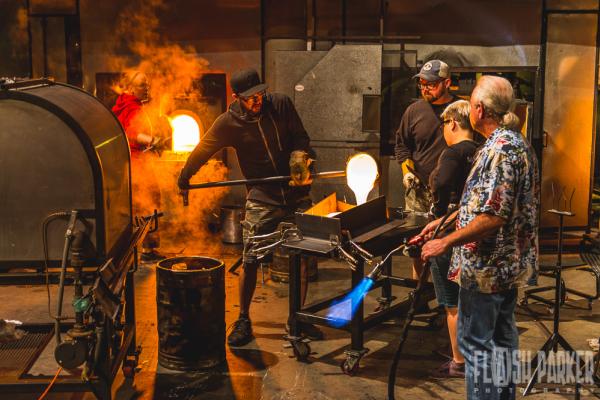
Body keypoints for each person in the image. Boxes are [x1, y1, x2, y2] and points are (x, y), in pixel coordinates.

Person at [177, 68, 322, 347]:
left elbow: (301, 137)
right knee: (250, 259)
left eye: (260, 94)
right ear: (237, 97)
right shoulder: (228, 123)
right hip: (262, 196)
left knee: (302, 257)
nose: (258, 101)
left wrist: (299, 158)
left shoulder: (280, 104)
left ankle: (298, 317)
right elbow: (203, 149)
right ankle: (243, 319)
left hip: (296, 193)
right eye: (251, 98)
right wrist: (184, 177)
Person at [421, 75, 539, 399]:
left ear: (479, 109)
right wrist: (447, 221)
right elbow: (482, 202)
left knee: (478, 348)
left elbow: (494, 215)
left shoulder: (500, 150)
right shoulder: (513, 143)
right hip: (503, 269)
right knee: (502, 343)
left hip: (486, 270)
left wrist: (446, 241)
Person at [427, 100, 479, 378]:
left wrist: (437, 212)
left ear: (453, 124)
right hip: (473, 231)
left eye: (444, 125)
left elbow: (443, 182)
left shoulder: (452, 153)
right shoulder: (481, 150)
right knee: (469, 297)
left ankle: (458, 362)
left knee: (451, 302)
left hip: (450, 231)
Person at [395, 59, 456, 280]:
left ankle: (447, 301)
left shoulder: (460, 111)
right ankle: (418, 294)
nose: (424, 88)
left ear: (447, 82)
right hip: (419, 191)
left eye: (430, 84)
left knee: (448, 247)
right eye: (421, 83)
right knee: (416, 245)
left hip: (451, 194)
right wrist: (407, 172)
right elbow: (402, 146)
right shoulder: (414, 111)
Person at [112, 71, 165, 262]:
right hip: (138, 166)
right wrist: (154, 141)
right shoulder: (132, 107)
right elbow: (133, 133)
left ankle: (137, 249)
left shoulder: (126, 104)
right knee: (149, 203)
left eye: (148, 84)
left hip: (131, 164)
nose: (147, 88)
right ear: (130, 88)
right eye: (143, 85)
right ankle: (147, 251)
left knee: (139, 206)